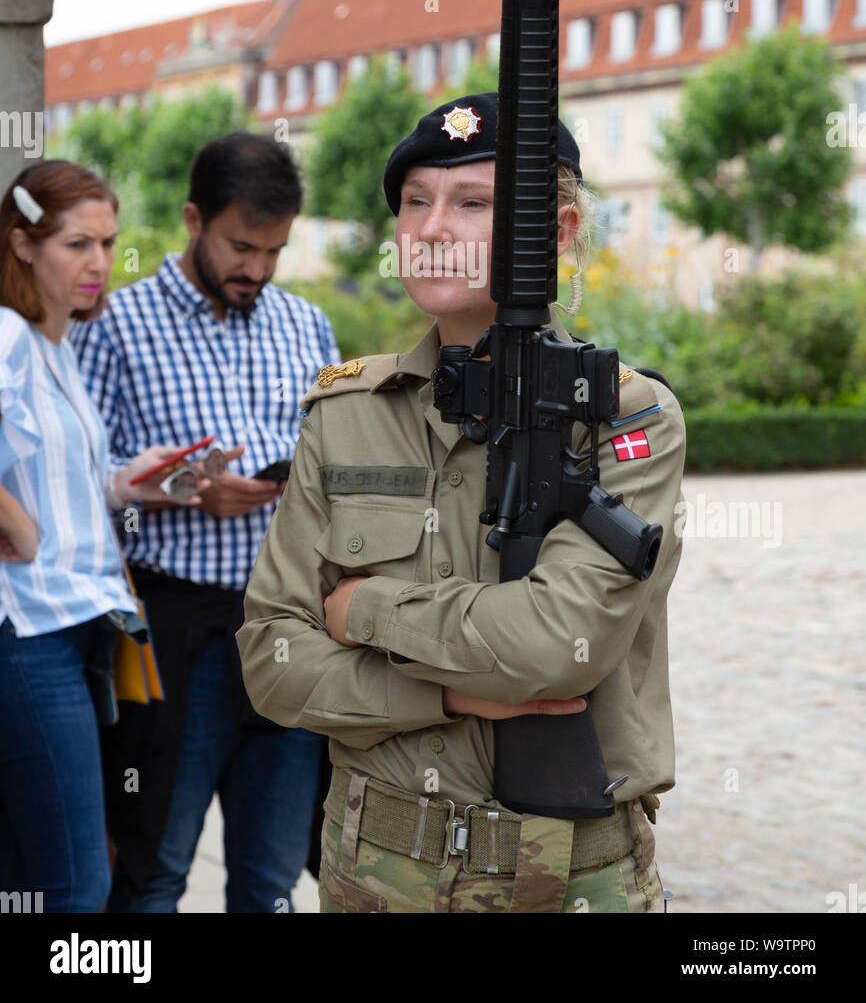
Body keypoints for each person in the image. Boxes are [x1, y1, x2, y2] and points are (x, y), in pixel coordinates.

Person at [238, 92, 687, 914]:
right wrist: (445, 694)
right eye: (416, 202)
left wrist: (362, 608)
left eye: (473, 203)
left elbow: (560, 644)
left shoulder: (624, 417)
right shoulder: (346, 414)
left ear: (554, 235)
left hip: (566, 880)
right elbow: (271, 659)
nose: (432, 229)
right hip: (372, 868)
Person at [69, 131, 339, 914]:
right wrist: (179, 489)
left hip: (287, 624)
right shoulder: (115, 323)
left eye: (274, 250)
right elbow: (79, 480)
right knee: (154, 870)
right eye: (240, 246)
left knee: (272, 879)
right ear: (193, 219)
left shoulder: (305, 325)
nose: (256, 268)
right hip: (172, 627)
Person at [0, 161, 208, 913]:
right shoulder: (7, 336)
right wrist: (12, 519)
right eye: (77, 245)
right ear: (23, 245)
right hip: (30, 631)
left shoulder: (55, 347)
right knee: (78, 883)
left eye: (108, 243)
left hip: (81, 623)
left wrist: (128, 484)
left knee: (30, 874)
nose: (99, 266)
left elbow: (50, 476)